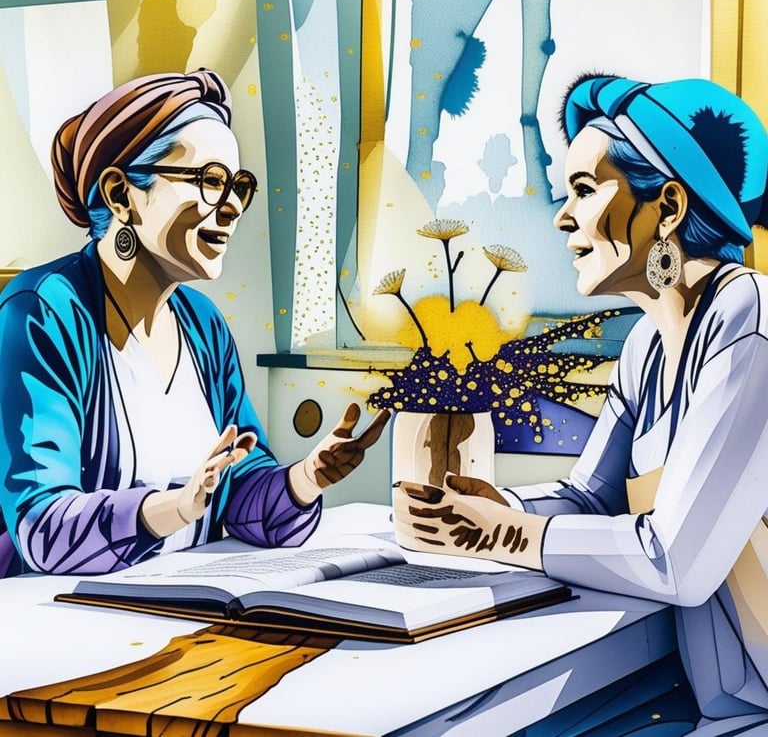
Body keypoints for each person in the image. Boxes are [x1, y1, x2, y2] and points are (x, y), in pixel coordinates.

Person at [394, 74, 768, 735]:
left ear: (671, 206)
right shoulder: (650, 343)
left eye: (586, 190)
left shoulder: (751, 321)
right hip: (715, 707)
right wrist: (491, 505)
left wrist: (501, 534)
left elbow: (674, 560)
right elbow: (589, 500)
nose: (562, 216)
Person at [0, 69, 389, 578]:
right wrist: (175, 508)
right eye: (209, 181)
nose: (231, 207)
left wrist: (304, 480)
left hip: (188, 603)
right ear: (121, 195)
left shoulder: (202, 326)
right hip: (58, 618)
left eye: (238, 186)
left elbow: (241, 487)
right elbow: (42, 525)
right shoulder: (43, 311)